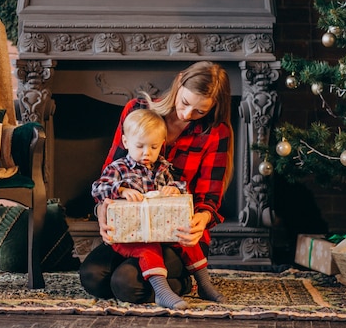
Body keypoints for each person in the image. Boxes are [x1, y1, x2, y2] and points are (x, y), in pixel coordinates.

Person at [80, 61, 234, 305]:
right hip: (133, 230)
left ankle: (186, 283)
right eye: (184, 103)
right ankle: (167, 283)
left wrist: (200, 219)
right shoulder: (138, 111)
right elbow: (110, 174)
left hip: (179, 236)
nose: (186, 115)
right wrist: (103, 209)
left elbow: (209, 199)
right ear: (179, 81)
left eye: (200, 111)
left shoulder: (215, 132)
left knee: (126, 283)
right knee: (93, 278)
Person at [91, 108, 225, 309]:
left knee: (187, 242)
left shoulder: (162, 168)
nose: (147, 153)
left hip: (159, 231)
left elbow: (180, 186)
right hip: (128, 235)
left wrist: (174, 190)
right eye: (140, 146)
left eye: (153, 147)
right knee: (148, 250)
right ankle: (162, 292)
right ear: (126, 143)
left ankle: (204, 284)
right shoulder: (118, 169)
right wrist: (121, 190)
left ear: (161, 145)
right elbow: (97, 188)